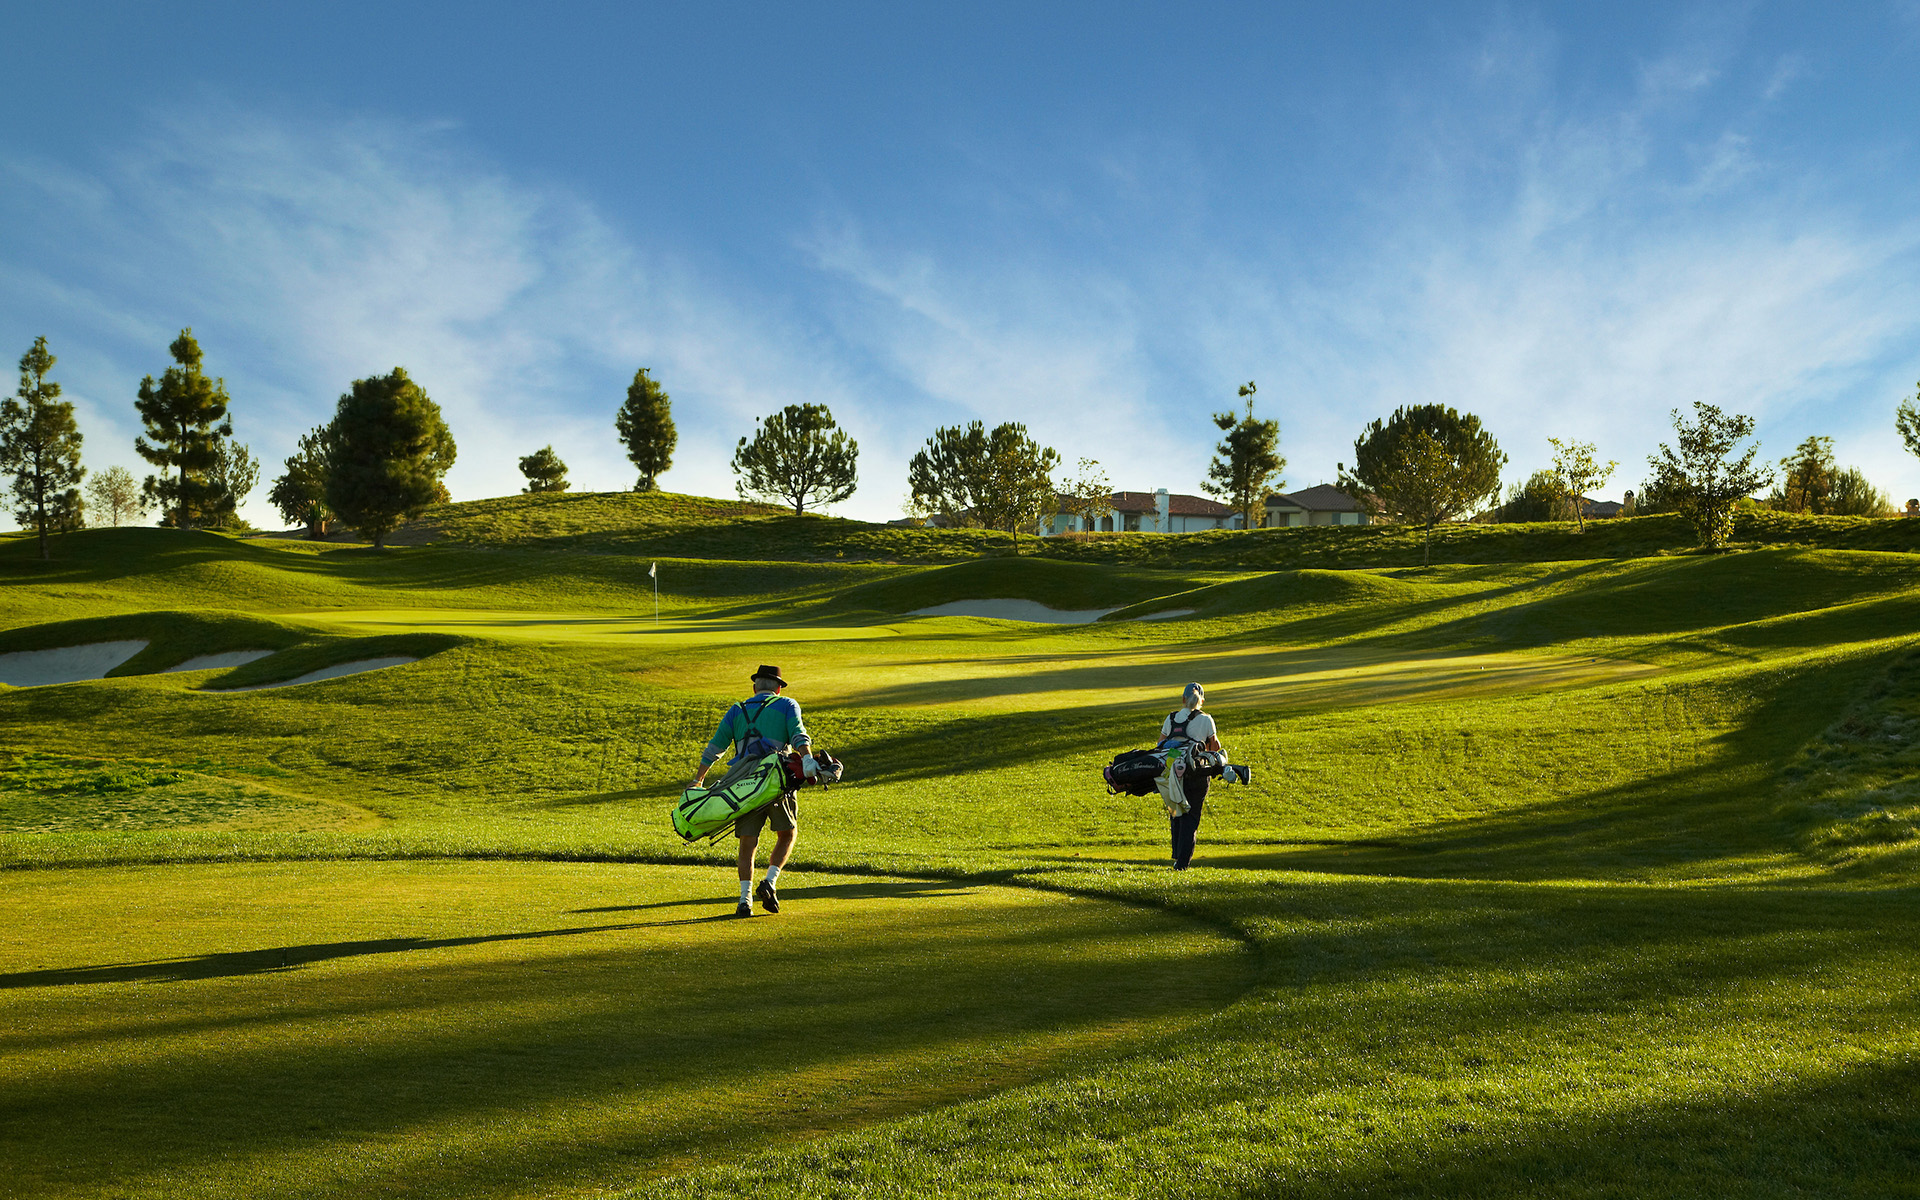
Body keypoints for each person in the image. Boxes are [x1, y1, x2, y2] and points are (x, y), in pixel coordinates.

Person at [690, 664, 813, 916]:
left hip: (742, 785)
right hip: (777, 782)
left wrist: (698, 779)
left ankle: (744, 899)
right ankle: (769, 882)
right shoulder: (787, 704)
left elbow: (715, 748)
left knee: (748, 841)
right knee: (787, 834)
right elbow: (798, 735)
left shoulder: (737, 710)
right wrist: (808, 759)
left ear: (755, 687)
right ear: (778, 689)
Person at [1159, 682, 1232, 871]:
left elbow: (1160, 745)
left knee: (1176, 813)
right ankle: (1182, 863)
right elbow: (1215, 748)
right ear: (1201, 701)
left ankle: (1177, 856)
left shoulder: (1171, 718)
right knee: (1191, 817)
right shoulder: (1206, 719)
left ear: (1183, 699)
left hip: (1173, 773)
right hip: (1197, 773)